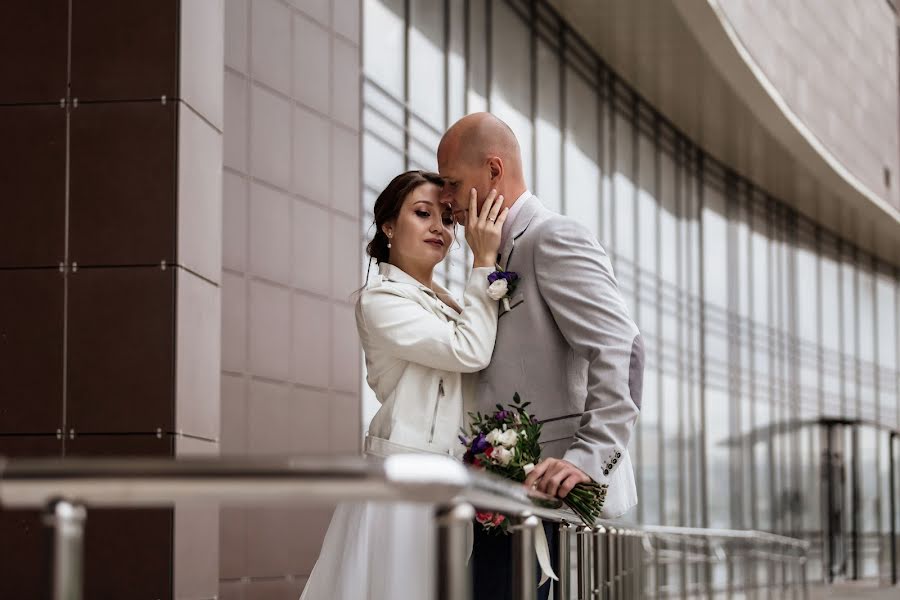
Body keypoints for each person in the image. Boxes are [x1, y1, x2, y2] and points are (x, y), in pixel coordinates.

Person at [437, 113, 644, 600]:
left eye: (452, 183)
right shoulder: (493, 253)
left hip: (550, 503)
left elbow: (624, 347)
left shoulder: (552, 237)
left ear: (493, 170)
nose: (446, 200)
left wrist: (590, 461)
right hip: (499, 498)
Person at [299, 170, 508, 600]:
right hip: (403, 489)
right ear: (389, 226)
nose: (440, 227)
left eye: (448, 219)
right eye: (422, 213)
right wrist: (484, 262)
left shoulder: (448, 300)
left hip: (447, 484)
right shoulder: (381, 300)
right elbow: (469, 351)